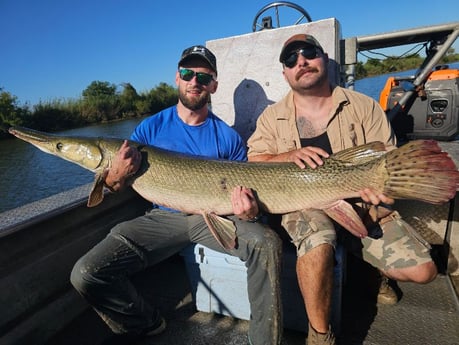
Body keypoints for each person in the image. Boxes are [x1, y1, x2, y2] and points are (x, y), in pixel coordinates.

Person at [70, 45, 283, 345]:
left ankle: (265, 340)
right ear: (177, 78)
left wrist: (251, 212)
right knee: (86, 273)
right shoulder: (149, 128)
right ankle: (146, 322)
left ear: (214, 85)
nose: (194, 81)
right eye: (187, 73)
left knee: (266, 242)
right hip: (162, 218)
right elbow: (116, 186)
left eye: (203, 76)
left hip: (213, 218)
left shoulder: (229, 138)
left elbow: (247, 198)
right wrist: (114, 176)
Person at [247, 33, 437, 345]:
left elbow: (386, 160)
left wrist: (382, 191)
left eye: (308, 52)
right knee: (319, 237)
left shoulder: (362, 105)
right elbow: (254, 162)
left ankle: (368, 270)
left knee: (423, 272)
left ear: (322, 57)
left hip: (363, 208)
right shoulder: (271, 118)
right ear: (284, 72)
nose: (301, 62)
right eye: (290, 59)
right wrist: (285, 156)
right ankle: (320, 335)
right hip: (307, 208)